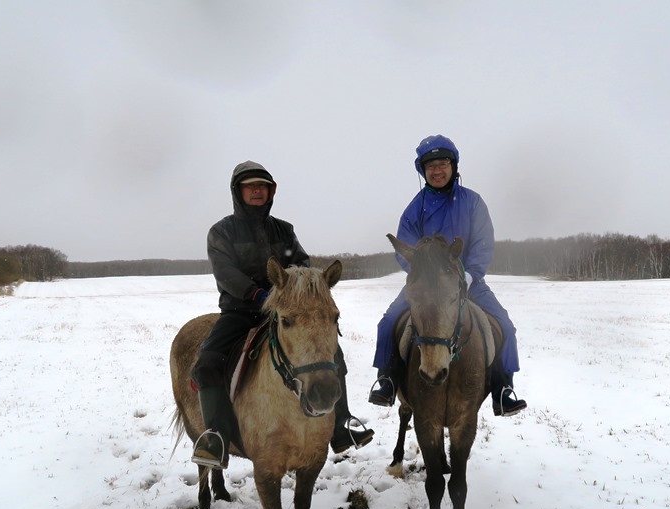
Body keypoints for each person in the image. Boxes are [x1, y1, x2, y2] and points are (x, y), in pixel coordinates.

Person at [191, 160, 374, 469]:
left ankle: (341, 424)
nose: (257, 191)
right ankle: (216, 437)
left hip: (288, 311)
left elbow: (300, 263)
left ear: (271, 192)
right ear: (238, 192)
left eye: (262, 186)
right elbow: (226, 274)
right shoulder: (221, 232)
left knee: (333, 356)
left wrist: (301, 289)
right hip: (241, 310)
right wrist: (259, 294)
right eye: (250, 187)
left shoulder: (283, 230)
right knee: (208, 362)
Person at [369, 135, 528, 416]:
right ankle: (387, 380)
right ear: (423, 171)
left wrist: (469, 276)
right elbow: (403, 249)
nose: (437, 170)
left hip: (468, 283)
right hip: (425, 287)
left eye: (443, 163)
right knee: (389, 322)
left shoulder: (473, 203)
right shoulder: (414, 208)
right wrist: (422, 279)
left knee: (505, 325)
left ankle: (503, 388)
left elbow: (483, 243)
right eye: (430, 166)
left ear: (453, 166)